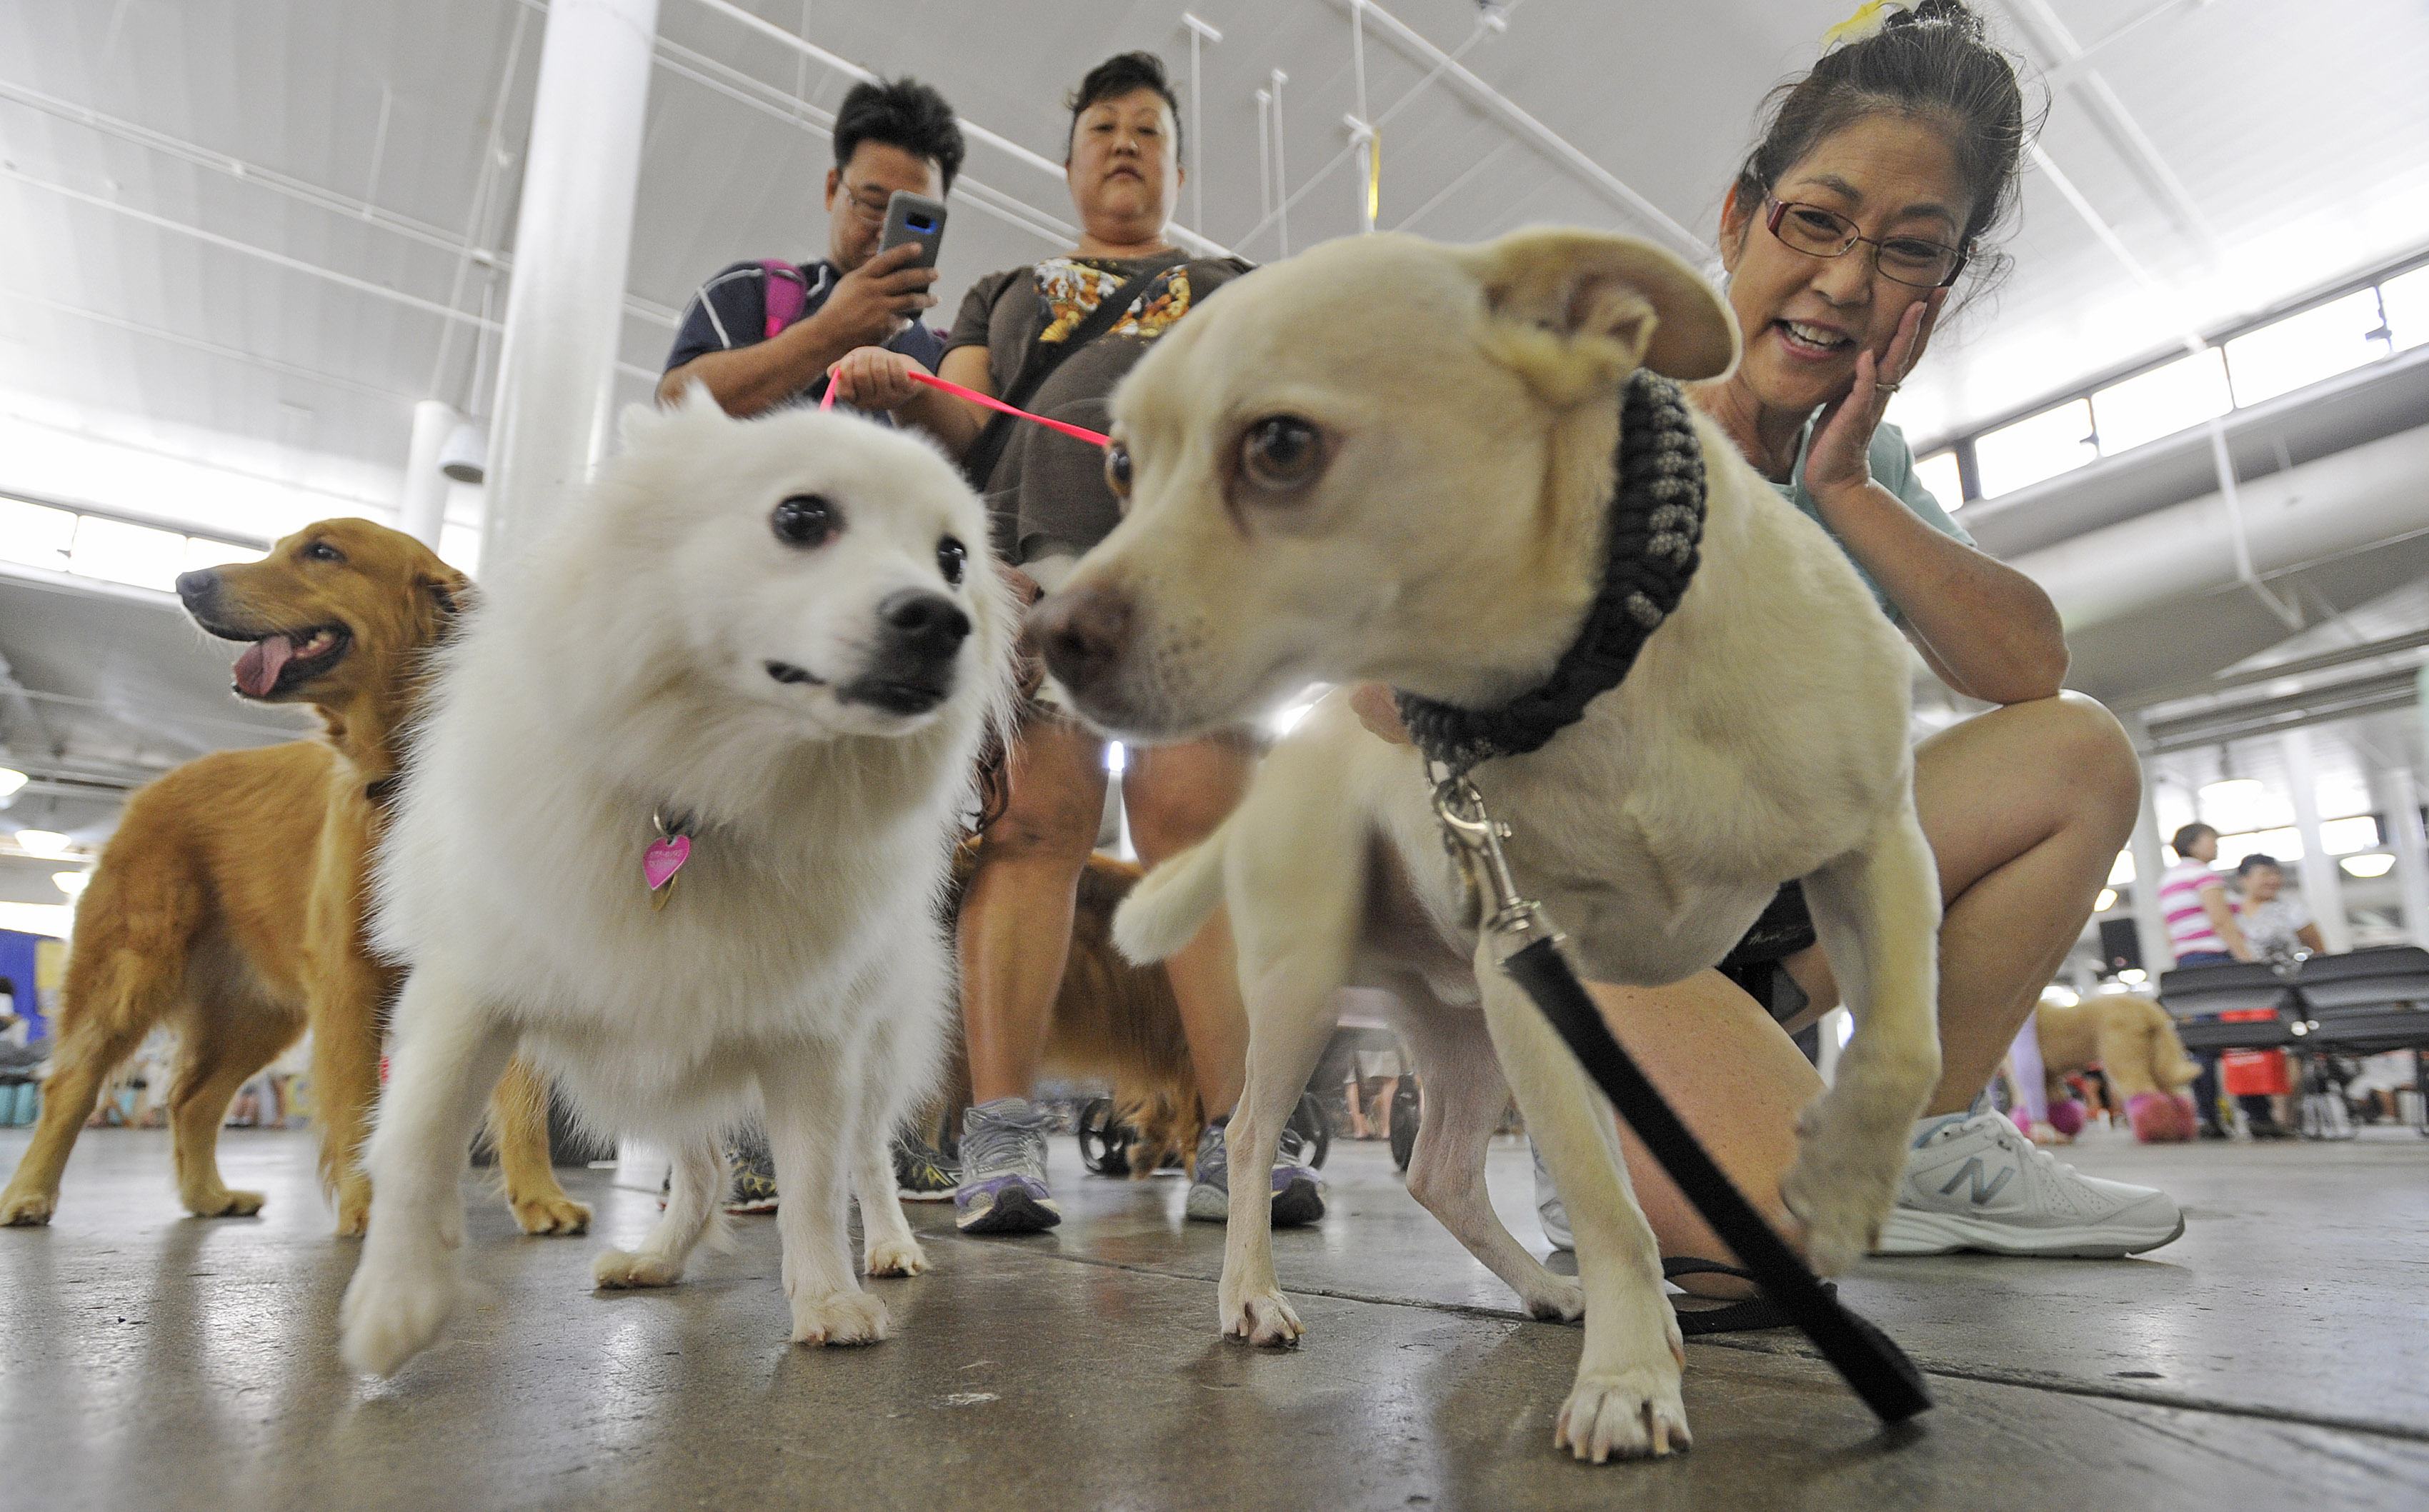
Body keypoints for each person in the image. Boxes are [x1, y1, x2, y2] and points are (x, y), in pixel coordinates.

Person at [1379, 1, 2178, 1271]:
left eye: (1911, 251)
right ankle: (1593, 1128)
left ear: (1943, 285)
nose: (1850, 280)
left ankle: (1928, 1131)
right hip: (1611, 919)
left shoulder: (1859, 461)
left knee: (2078, 754)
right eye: (1817, 221)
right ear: (1740, 217)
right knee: (1791, 1230)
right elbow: (1384, 711)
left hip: (1773, 909)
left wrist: (1852, 490)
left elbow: (2031, 670)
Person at [827, 52, 1319, 1236]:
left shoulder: (1234, 286)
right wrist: (898, 388)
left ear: (1178, 164)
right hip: (1031, 581)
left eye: (1149, 129)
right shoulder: (1008, 289)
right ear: (1071, 160)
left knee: (1193, 841)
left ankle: (1241, 1130)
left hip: (1186, 591)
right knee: (1029, 837)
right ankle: (1000, 1138)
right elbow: (960, 420)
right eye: (1104, 127)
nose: (1126, 145)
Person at [658, 76, 964, 418]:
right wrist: (831, 332)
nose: (884, 232)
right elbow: (673, 407)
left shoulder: (947, 357)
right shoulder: (751, 291)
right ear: (833, 189)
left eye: (916, 217)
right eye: (873, 204)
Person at [2234, 853, 2325, 963]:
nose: (2273, 880)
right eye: (2265, 875)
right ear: (2244, 879)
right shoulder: (2231, 913)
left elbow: (2317, 947)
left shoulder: (2292, 909)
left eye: (2277, 874)